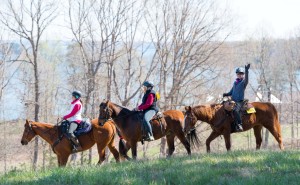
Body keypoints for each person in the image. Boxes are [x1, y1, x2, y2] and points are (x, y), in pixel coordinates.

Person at [223, 64, 250, 131]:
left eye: (241, 74)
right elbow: (231, 92)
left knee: (235, 110)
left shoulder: (244, 82)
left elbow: (247, 79)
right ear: (237, 75)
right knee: (223, 106)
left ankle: (239, 124)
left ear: (243, 75)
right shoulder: (235, 83)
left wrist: (246, 70)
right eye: (238, 74)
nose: (239, 75)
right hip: (233, 100)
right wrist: (226, 94)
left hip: (239, 101)